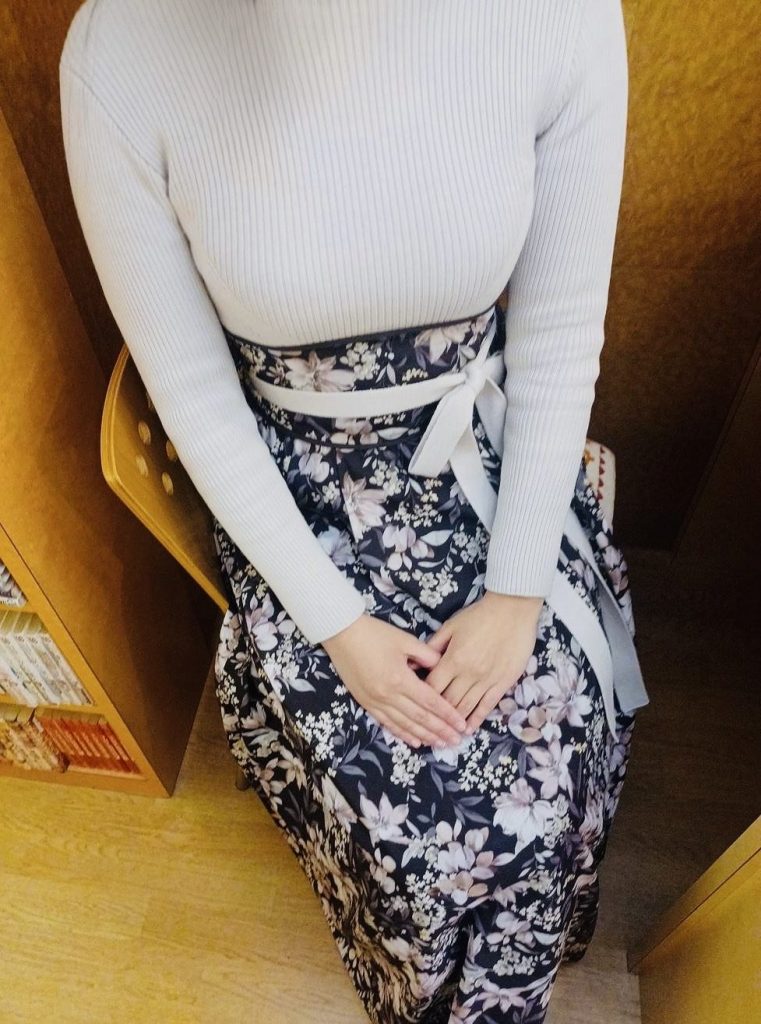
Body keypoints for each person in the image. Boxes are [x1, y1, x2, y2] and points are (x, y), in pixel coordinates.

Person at [59, 0, 650, 1020]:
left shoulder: (561, 17)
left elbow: (557, 329)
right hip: (299, 487)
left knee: (551, 751)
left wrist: (515, 592)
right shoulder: (121, 47)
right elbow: (194, 395)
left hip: (486, 450)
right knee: (422, 804)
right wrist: (338, 627)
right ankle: (416, 990)